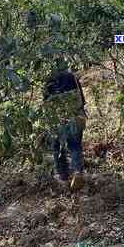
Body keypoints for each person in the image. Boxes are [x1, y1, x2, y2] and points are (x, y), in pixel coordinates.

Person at [42, 58, 87, 191]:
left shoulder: (49, 81)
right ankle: (78, 171)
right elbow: (82, 100)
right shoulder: (72, 77)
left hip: (57, 120)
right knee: (75, 145)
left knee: (57, 148)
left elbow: (45, 105)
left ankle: (63, 177)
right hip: (75, 117)